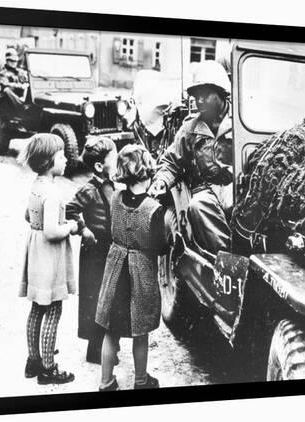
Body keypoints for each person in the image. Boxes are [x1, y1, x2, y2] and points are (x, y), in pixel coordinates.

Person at [95, 144, 168, 391]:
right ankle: (141, 381)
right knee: (141, 331)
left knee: (110, 331)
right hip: (141, 277)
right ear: (147, 173)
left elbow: (110, 229)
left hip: (116, 274)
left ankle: (105, 382)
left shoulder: (115, 197)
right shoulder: (154, 209)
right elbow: (161, 246)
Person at [148, 60, 233, 254]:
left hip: (234, 185)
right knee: (198, 205)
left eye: (205, 95)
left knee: (237, 204)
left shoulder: (239, 122)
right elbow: (171, 161)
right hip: (205, 188)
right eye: (196, 96)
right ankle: (226, 257)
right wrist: (161, 181)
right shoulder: (190, 128)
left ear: (221, 93)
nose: (199, 101)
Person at [18, 133, 78, 385]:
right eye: (62, 156)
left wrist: (41, 224)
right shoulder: (52, 193)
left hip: (36, 251)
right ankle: (48, 368)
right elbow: (53, 232)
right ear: (48, 162)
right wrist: (71, 226)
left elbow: (27, 216)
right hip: (50, 256)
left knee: (37, 307)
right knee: (53, 307)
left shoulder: (36, 186)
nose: (66, 160)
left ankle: (33, 361)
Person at [65, 137, 119, 364]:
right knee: (95, 298)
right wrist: (84, 229)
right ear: (99, 166)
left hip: (110, 249)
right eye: (113, 159)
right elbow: (70, 210)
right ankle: (95, 350)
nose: (116, 163)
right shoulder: (88, 189)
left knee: (110, 298)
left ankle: (106, 347)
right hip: (94, 253)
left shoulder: (112, 186)